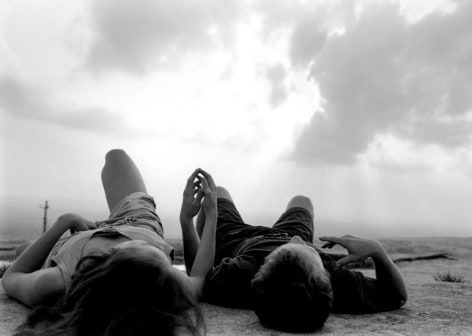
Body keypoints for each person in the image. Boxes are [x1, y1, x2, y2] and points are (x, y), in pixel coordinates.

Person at [2, 149, 218, 336]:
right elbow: (198, 276)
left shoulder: (61, 279)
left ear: (108, 260)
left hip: (70, 245)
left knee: (24, 251)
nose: (148, 245)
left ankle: (34, 247)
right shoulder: (163, 287)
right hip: (139, 221)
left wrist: (64, 221)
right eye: (157, 252)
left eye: (137, 246)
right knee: (116, 156)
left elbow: (12, 277)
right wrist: (205, 214)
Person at [200, 186, 407, 332]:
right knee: (302, 201)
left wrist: (207, 220)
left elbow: (198, 270)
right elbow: (396, 295)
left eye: (285, 249)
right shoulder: (338, 282)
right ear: (327, 279)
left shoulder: (237, 275)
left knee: (218, 191)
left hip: (239, 238)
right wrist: (377, 251)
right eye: (308, 249)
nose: (299, 239)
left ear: (259, 270)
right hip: (282, 232)